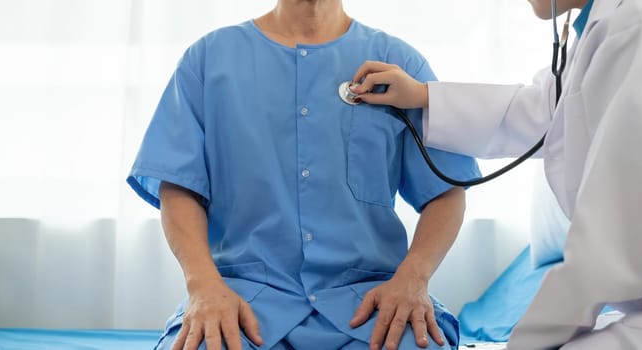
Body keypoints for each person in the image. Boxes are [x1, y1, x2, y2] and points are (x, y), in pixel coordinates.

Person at [350, 0, 642, 349]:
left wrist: (524, 342)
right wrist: (423, 96)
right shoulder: (613, 28)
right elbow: (542, 111)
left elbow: (611, 249)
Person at [126, 1, 481, 349]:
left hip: (369, 304)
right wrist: (202, 286)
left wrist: (412, 279)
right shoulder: (208, 60)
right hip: (244, 301)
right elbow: (178, 186)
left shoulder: (399, 64)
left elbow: (445, 191)